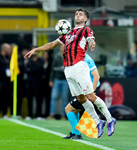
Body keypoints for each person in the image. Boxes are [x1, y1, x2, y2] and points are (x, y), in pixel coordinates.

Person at [24, 8, 116, 138]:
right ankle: (98, 122)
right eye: (76, 13)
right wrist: (36, 49)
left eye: (80, 14)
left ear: (85, 19)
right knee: (81, 98)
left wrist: (92, 42)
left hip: (79, 66)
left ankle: (110, 119)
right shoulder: (67, 33)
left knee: (90, 95)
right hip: (68, 69)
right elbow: (51, 44)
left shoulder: (86, 29)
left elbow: (90, 39)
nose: (77, 15)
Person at [63, 53, 100, 140]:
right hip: (81, 90)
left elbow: (96, 76)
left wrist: (92, 92)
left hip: (87, 91)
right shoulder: (76, 58)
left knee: (68, 109)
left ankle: (77, 133)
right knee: (75, 111)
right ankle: (74, 133)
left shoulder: (86, 59)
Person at [47, 45, 69, 120]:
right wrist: (51, 80)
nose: (62, 49)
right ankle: (51, 114)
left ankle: (63, 115)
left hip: (65, 80)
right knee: (53, 97)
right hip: (57, 79)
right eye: (61, 47)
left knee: (65, 98)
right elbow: (52, 69)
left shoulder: (68, 57)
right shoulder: (56, 57)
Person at [0, 43, 13, 119]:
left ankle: (4, 113)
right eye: (8, 49)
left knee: (7, 98)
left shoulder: (8, 58)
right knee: (0, 98)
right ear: (4, 49)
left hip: (8, 81)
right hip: (1, 82)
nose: (10, 50)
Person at [25, 52, 44, 120]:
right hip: (30, 82)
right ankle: (29, 115)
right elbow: (27, 70)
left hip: (38, 83)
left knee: (38, 99)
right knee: (29, 99)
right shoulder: (29, 60)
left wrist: (32, 70)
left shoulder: (41, 60)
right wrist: (34, 70)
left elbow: (40, 68)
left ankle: (38, 115)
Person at [41, 51, 52, 118]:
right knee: (40, 99)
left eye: (46, 55)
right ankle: (39, 114)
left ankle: (47, 113)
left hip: (47, 83)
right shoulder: (40, 62)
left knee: (48, 99)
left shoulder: (50, 62)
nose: (45, 56)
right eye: (44, 55)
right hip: (41, 83)